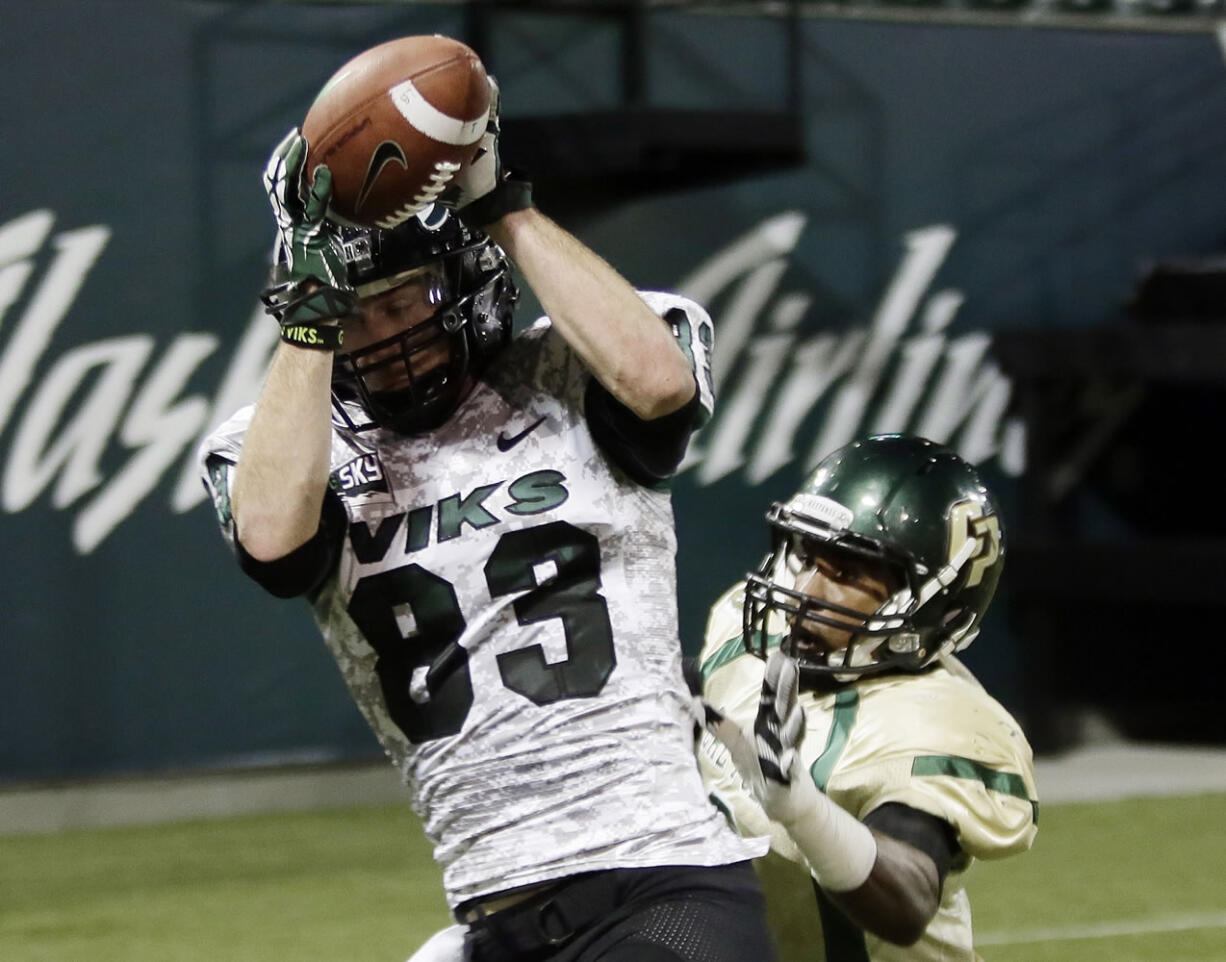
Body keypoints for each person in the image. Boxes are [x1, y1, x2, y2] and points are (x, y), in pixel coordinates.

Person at [197, 72, 775, 962]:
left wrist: (504, 207)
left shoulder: (567, 375)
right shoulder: (283, 442)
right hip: (490, 912)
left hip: (662, 881)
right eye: (356, 315)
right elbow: (273, 544)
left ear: (471, 277)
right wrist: (309, 327)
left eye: (405, 300)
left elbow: (659, 385)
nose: (382, 335)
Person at [695, 434, 1037, 961]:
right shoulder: (749, 642)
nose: (807, 591)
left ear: (934, 604)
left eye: (848, 573)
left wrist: (801, 808)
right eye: (807, 555)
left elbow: (908, 901)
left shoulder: (934, 722)